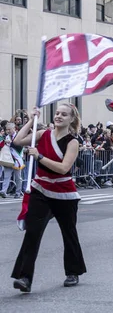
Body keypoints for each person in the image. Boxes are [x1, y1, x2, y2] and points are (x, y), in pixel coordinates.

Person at [11, 104, 86, 292]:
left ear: (72, 119)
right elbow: (18, 141)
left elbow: (63, 168)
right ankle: (24, 278)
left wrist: (40, 157)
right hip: (41, 189)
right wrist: (31, 120)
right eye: (57, 113)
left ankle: (73, 271)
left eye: (64, 114)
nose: (59, 116)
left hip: (64, 193)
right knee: (32, 233)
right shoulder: (42, 133)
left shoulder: (72, 142)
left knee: (69, 233)